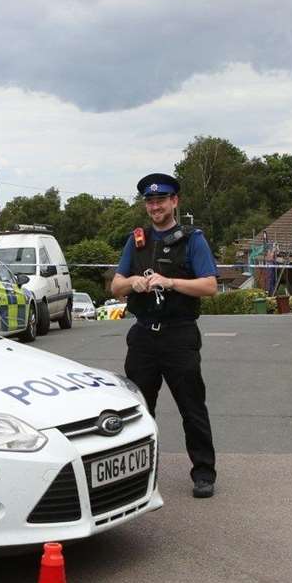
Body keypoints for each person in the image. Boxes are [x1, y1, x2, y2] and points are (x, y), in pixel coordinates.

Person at [109, 173, 220, 497]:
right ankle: (141, 473)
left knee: (191, 407)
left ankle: (203, 473)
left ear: (175, 202)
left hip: (179, 335)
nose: (155, 206)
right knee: (139, 410)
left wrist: (171, 282)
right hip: (143, 336)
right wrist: (134, 283)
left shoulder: (192, 238)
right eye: (150, 201)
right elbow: (116, 287)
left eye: (161, 200)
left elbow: (210, 286)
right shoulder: (137, 240)